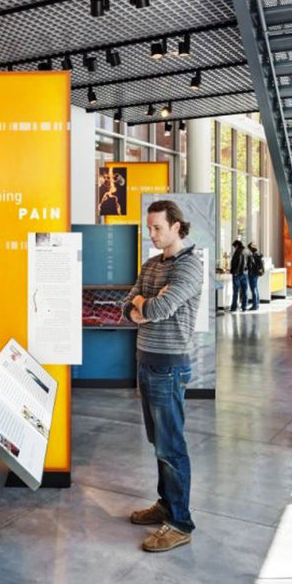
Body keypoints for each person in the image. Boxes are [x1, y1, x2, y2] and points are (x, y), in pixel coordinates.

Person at [121, 200, 203, 552]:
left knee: (172, 446)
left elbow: (158, 308)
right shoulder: (152, 264)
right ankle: (165, 505)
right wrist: (140, 304)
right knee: (159, 443)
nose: (151, 234)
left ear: (177, 227)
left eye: (157, 228)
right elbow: (128, 305)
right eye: (149, 227)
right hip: (146, 361)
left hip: (169, 366)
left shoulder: (190, 267)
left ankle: (179, 523)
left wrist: (145, 303)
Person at [229, 240, 250, 312]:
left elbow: (234, 263)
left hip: (237, 274)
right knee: (245, 291)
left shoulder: (238, 252)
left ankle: (234, 307)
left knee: (236, 291)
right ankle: (244, 307)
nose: (234, 248)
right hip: (245, 273)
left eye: (234, 247)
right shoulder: (247, 251)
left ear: (237, 245)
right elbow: (250, 262)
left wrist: (233, 271)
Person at [246, 242, 264, 311]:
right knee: (255, 288)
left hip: (252, 273)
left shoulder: (252, 255)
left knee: (253, 289)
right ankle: (257, 303)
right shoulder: (258, 254)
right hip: (257, 273)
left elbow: (250, 265)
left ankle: (255, 305)